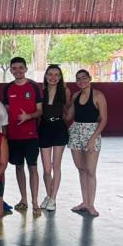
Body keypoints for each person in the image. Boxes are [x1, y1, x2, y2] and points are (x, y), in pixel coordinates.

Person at [3, 57, 43, 214]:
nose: (18, 71)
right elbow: (6, 112)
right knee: (18, 168)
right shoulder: (7, 89)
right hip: (13, 137)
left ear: (26, 69)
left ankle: (35, 203)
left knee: (32, 168)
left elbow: (40, 110)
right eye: (14, 68)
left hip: (31, 136)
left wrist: (29, 116)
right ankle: (24, 200)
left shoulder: (34, 86)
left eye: (21, 68)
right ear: (11, 70)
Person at [67, 69, 108, 217]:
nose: (81, 81)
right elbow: (69, 116)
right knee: (81, 168)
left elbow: (103, 119)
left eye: (84, 78)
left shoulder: (98, 96)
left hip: (92, 133)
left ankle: (91, 204)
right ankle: (84, 202)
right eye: (78, 79)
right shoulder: (75, 96)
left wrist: (93, 138)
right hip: (76, 132)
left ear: (90, 78)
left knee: (90, 170)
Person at [38, 65, 71, 212]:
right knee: (46, 169)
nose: (53, 77)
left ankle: (53, 198)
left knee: (56, 166)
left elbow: (67, 112)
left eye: (56, 74)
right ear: (46, 76)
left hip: (59, 129)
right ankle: (48, 195)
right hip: (45, 128)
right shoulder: (42, 92)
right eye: (50, 74)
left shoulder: (65, 91)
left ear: (60, 77)